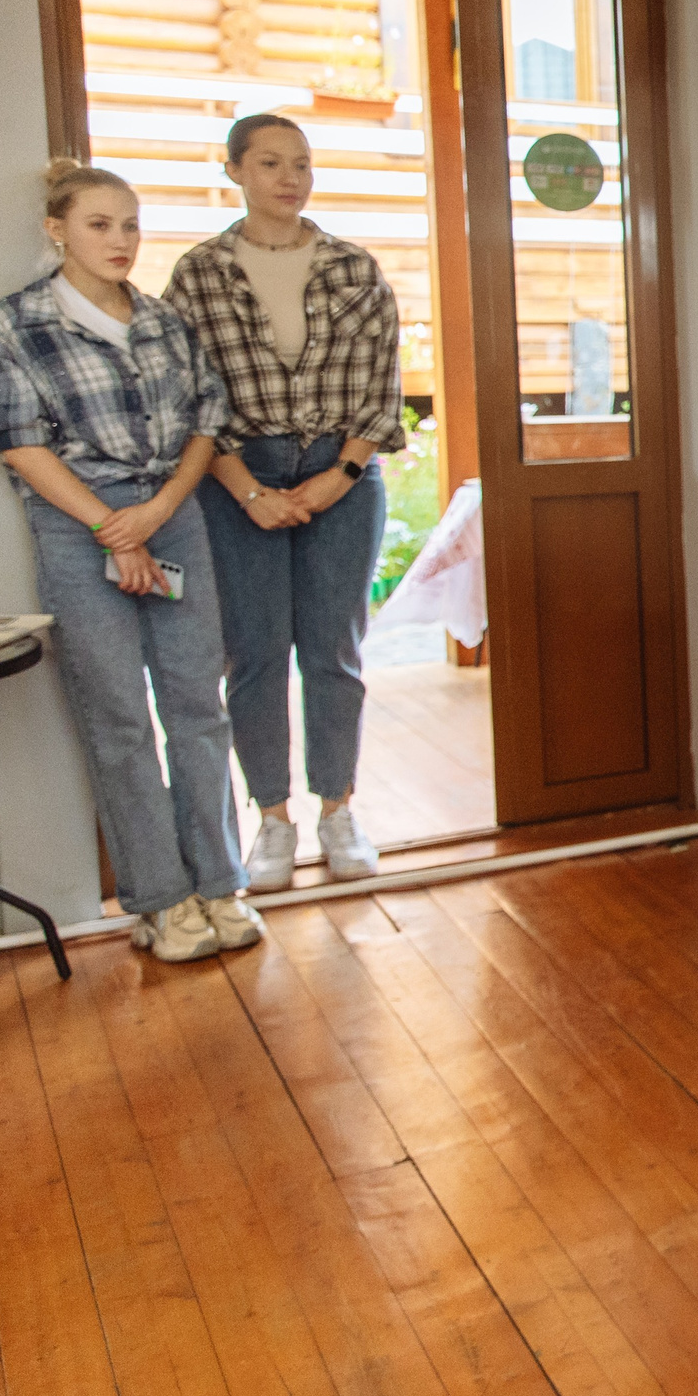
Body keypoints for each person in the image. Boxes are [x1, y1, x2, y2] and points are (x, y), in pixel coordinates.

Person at [0, 163, 257, 961]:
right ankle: (162, 903)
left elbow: (208, 421)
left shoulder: (165, 321)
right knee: (120, 720)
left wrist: (160, 512)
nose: (121, 240)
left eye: (130, 224)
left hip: (171, 516)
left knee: (198, 708)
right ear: (56, 229)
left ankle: (221, 884)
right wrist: (113, 530)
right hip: (78, 526)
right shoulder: (18, 324)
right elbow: (18, 443)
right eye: (100, 224)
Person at [165, 114, 404, 890]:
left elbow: (382, 384)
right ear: (234, 170)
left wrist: (339, 475)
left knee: (334, 651)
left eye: (301, 163)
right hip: (237, 475)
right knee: (257, 654)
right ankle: (271, 821)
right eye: (270, 163)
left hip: (343, 467)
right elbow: (187, 395)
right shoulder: (199, 274)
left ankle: (338, 812)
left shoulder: (353, 268)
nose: (289, 177)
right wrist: (247, 489)